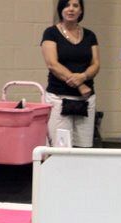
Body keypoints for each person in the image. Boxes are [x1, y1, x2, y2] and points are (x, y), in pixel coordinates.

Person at [41, 0, 100, 148]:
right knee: (62, 147)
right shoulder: (51, 33)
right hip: (59, 98)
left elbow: (96, 64)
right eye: (67, 5)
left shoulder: (90, 35)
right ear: (61, 9)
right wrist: (80, 84)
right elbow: (52, 64)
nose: (71, 9)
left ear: (81, 11)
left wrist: (84, 76)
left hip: (86, 100)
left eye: (75, 6)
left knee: (84, 147)